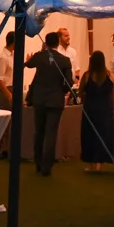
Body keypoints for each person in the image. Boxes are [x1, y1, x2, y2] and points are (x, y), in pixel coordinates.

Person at [24, 31, 74, 176]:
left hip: (39, 99)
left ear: (45, 43)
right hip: (55, 100)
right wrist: (61, 91)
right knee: (51, 133)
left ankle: (38, 163)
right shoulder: (64, 60)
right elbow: (69, 83)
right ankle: (47, 166)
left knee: (39, 131)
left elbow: (28, 64)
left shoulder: (39, 56)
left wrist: (30, 59)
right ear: (58, 43)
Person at [79, 53, 114, 173]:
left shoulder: (87, 76)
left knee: (89, 136)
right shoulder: (110, 76)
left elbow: (80, 93)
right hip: (105, 110)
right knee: (103, 136)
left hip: (90, 110)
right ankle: (99, 164)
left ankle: (90, 164)